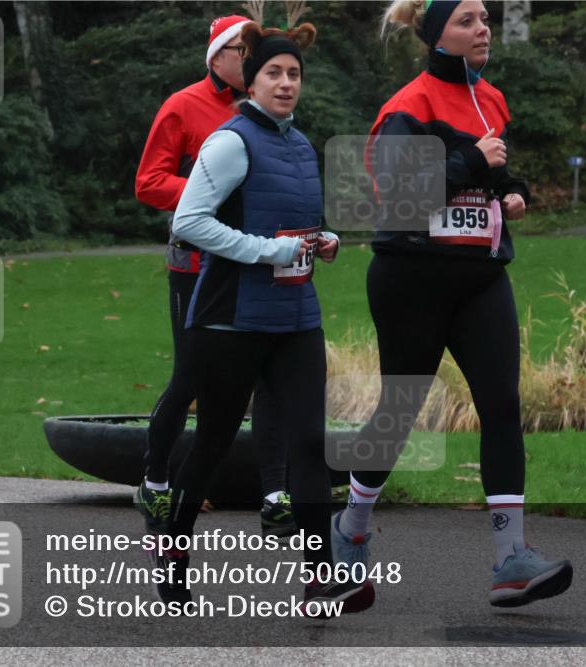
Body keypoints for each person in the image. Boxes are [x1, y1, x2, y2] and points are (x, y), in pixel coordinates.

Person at [329, 0, 573, 608]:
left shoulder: (490, 100)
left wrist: (512, 191)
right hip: (412, 276)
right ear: (437, 35)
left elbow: (492, 174)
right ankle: (351, 527)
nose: (483, 28)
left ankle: (510, 559)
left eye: (486, 17)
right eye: (467, 20)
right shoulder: (407, 107)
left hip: (481, 278)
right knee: (401, 410)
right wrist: (472, 160)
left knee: (502, 405)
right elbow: (400, 196)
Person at [156, 21, 375, 614]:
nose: (286, 83)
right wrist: (268, 250)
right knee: (216, 441)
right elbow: (189, 224)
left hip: (295, 316)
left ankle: (318, 580)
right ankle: (173, 558)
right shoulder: (230, 141)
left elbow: (288, 223)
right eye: (274, 73)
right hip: (230, 320)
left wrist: (320, 240)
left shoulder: (301, 145)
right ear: (251, 81)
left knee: (308, 443)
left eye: (294, 74)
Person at [133, 14, 296, 537]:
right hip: (197, 265)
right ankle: (155, 484)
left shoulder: (270, 111)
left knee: (271, 378)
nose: (252, 64)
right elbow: (148, 182)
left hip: (259, 264)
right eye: (240, 53)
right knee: (192, 379)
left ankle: (275, 494)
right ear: (218, 58)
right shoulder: (182, 106)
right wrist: (214, 194)